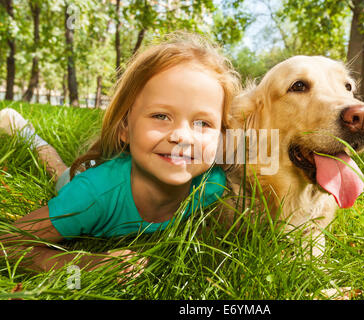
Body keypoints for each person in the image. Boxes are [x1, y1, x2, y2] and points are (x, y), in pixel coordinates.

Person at [0, 32, 241, 277]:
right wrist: (89, 265)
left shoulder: (213, 186)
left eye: (202, 123)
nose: (182, 136)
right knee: (57, 169)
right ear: (125, 127)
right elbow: (7, 243)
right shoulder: (90, 197)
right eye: (161, 116)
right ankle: (25, 132)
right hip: (86, 182)